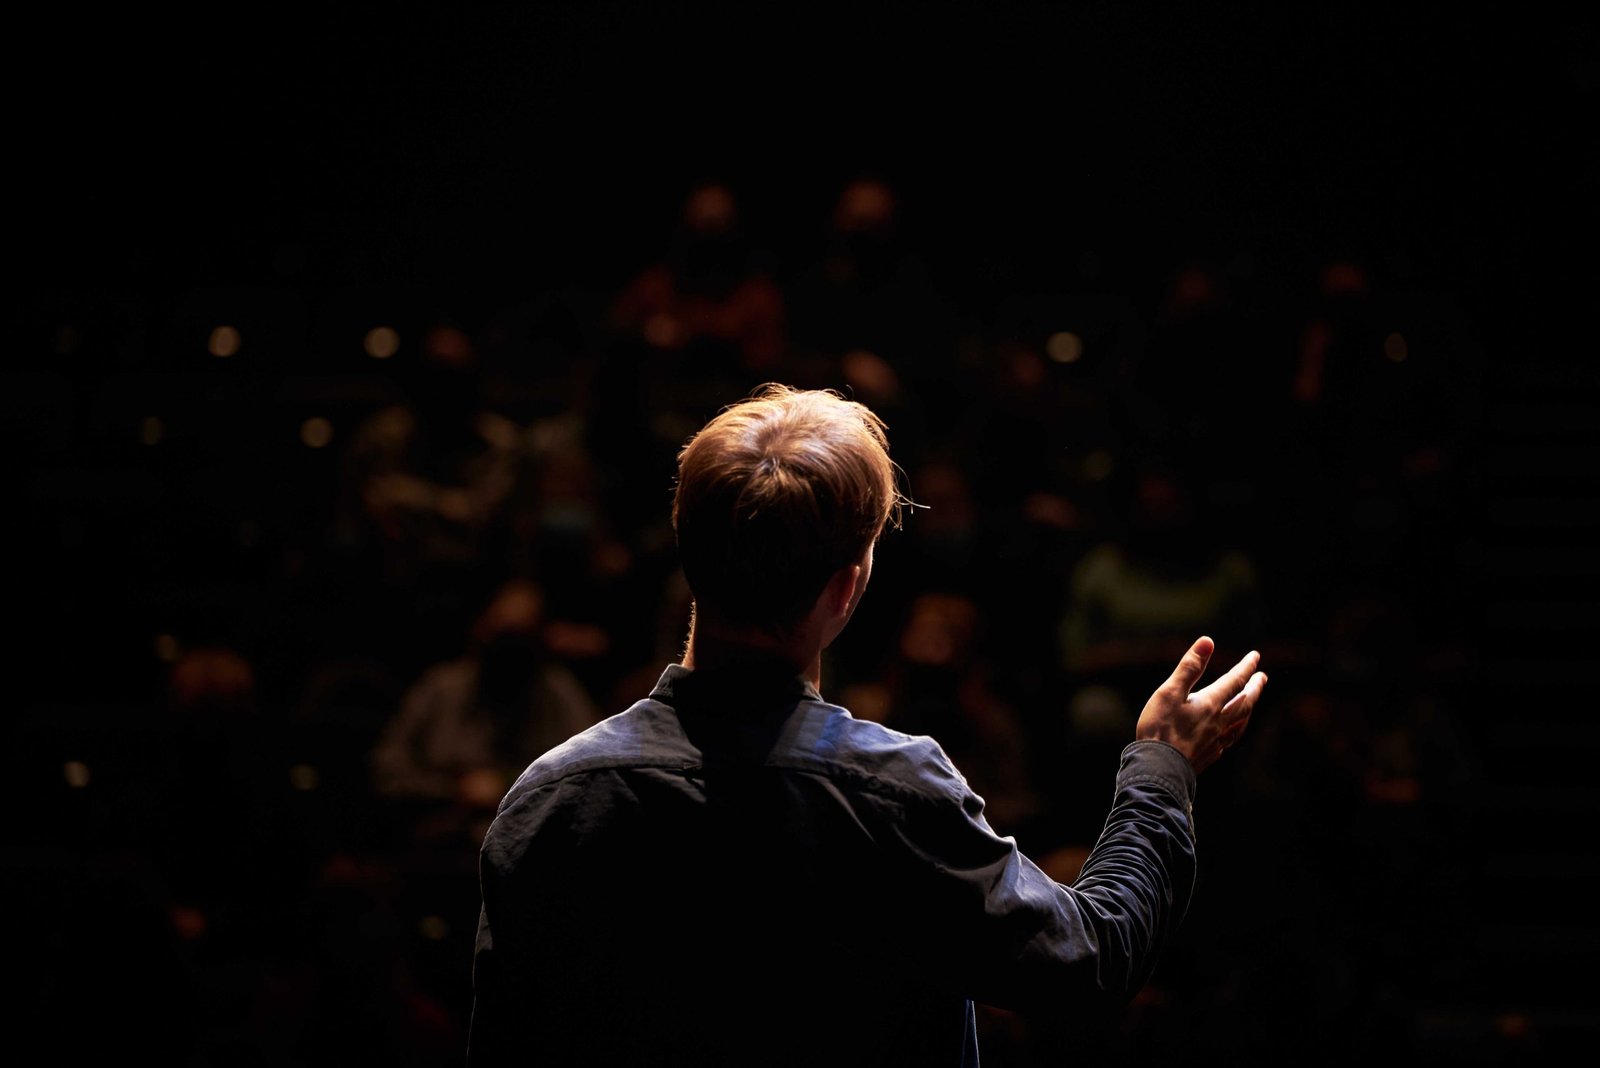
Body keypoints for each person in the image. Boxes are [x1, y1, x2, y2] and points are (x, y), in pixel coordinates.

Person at [467, 383, 1267, 1067]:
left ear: (688, 552)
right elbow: (1091, 962)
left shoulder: (549, 801)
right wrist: (1161, 767)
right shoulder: (892, 796)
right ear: (847, 588)